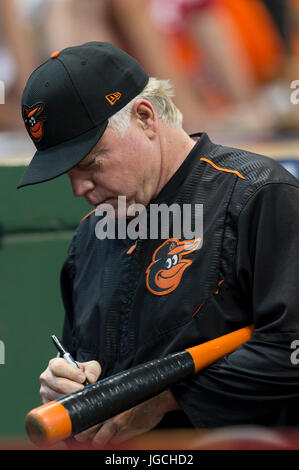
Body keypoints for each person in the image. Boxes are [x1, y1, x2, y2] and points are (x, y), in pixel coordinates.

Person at [18, 42, 299, 447]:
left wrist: (166, 398)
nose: (79, 188)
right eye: (66, 173)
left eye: (90, 163)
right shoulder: (90, 238)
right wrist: (73, 393)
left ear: (145, 118)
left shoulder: (257, 196)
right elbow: (94, 382)